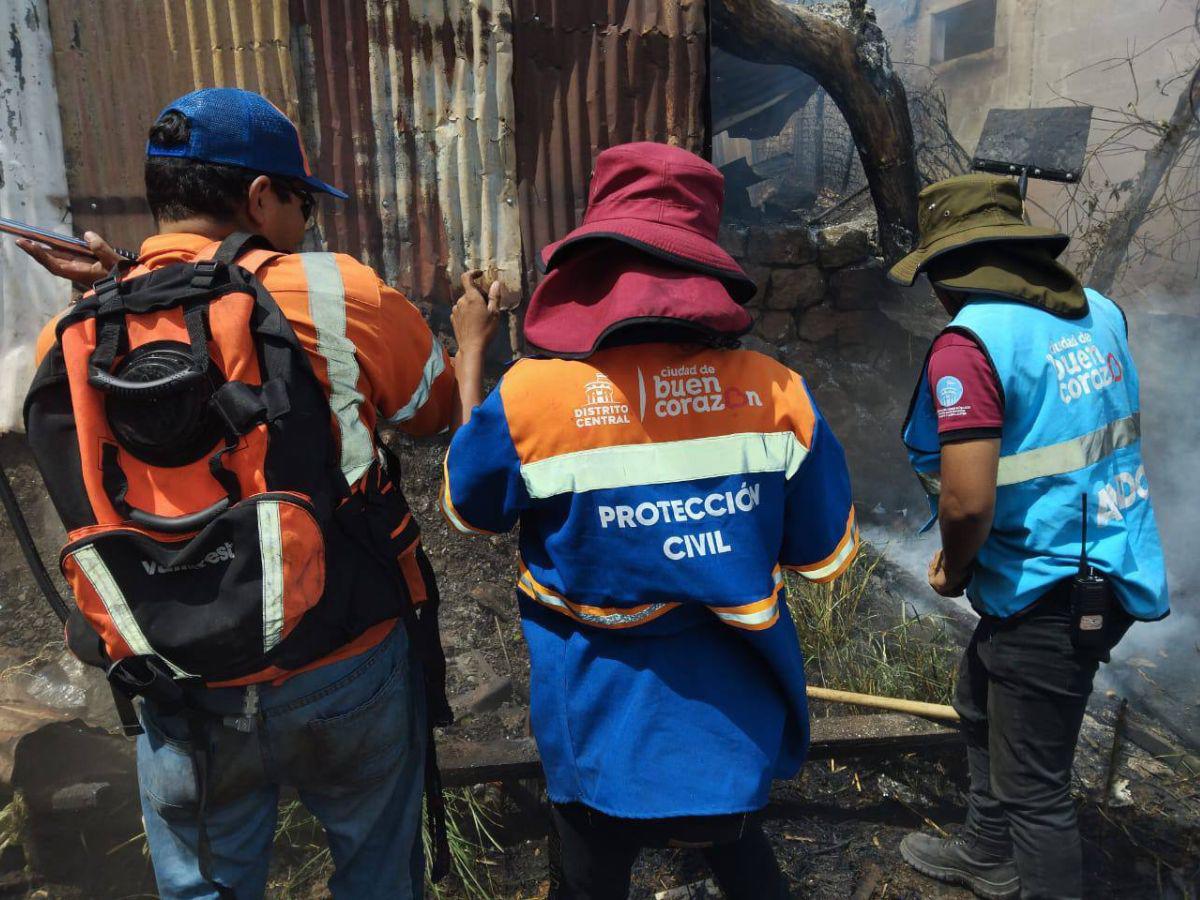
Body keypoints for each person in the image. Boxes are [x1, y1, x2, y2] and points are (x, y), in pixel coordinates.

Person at [20, 87, 500, 900]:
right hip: (341, 657)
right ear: (257, 197)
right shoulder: (335, 293)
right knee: (378, 875)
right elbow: (435, 416)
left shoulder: (74, 331)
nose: (307, 222)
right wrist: (473, 338)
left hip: (176, 679)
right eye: (302, 203)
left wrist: (119, 284)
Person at [441, 142, 859, 899]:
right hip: (731, 726)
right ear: (709, 272)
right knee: (741, 861)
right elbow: (820, 554)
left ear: (591, 266)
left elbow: (473, 508)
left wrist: (471, 354)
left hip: (596, 727)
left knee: (591, 880)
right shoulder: (778, 395)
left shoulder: (533, 397)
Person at [891, 174, 1169, 900]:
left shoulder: (970, 346)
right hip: (1106, 559)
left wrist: (953, 569)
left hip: (1051, 588)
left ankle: (1027, 869)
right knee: (979, 697)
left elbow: (966, 500)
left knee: (1035, 791)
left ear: (949, 271)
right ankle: (986, 853)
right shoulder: (1101, 312)